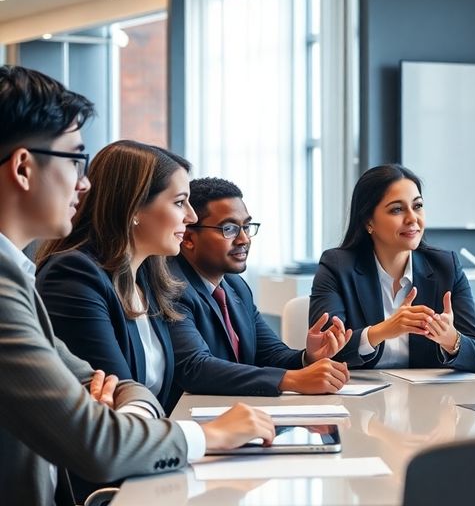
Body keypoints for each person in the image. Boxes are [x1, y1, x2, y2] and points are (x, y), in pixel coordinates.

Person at [0, 64, 273, 506]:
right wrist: (208, 435)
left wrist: (126, 409)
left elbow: (108, 386)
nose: (83, 183)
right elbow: (97, 442)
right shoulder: (45, 277)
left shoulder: (20, 274)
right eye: (75, 160)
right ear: (24, 168)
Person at [35, 140, 197, 413]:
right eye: (180, 202)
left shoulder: (147, 276)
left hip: (149, 441)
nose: (191, 216)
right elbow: (119, 398)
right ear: (134, 208)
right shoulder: (73, 275)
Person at [171, 177, 353, 396]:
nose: (244, 239)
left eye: (246, 227)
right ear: (188, 238)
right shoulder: (172, 286)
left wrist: (309, 357)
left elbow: (271, 354)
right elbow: (195, 368)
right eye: (228, 229)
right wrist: (291, 379)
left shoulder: (236, 287)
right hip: (189, 420)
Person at [309, 164, 475, 371]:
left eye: (417, 206)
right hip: (357, 398)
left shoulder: (445, 266)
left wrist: (450, 339)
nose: (412, 218)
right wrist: (383, 331)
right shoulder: (337, 266)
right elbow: (325, 349)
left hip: (426, 399)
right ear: (369, 221)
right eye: (397, 209)